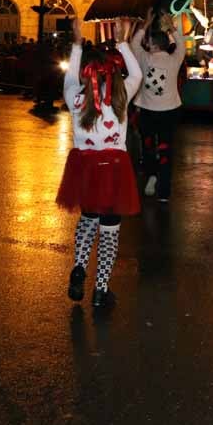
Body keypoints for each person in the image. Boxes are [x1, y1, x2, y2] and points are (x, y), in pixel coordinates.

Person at [56, 17, 142, 309]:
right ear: (113, 74)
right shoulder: (120, 97)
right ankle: (101, 289)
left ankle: (79, 266)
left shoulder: (74, 98)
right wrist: (122, 42)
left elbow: (69, 79)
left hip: (85, 168)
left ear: (85, 74)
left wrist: (77, 44)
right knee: (109, 229)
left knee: (87, 219)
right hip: (114, 170)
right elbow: (138, 75)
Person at [130, 10, 186, 203]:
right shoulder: (174, 59)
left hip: (147, 111)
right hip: (170, 112)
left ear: (153, 45)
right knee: (165, 148)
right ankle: (164, 192)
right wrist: (172, 27)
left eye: (149, 42)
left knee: (147, 146)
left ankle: (151, 173)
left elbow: (134, 44)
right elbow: (182, 45)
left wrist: (145, 24)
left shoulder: (145, 59)